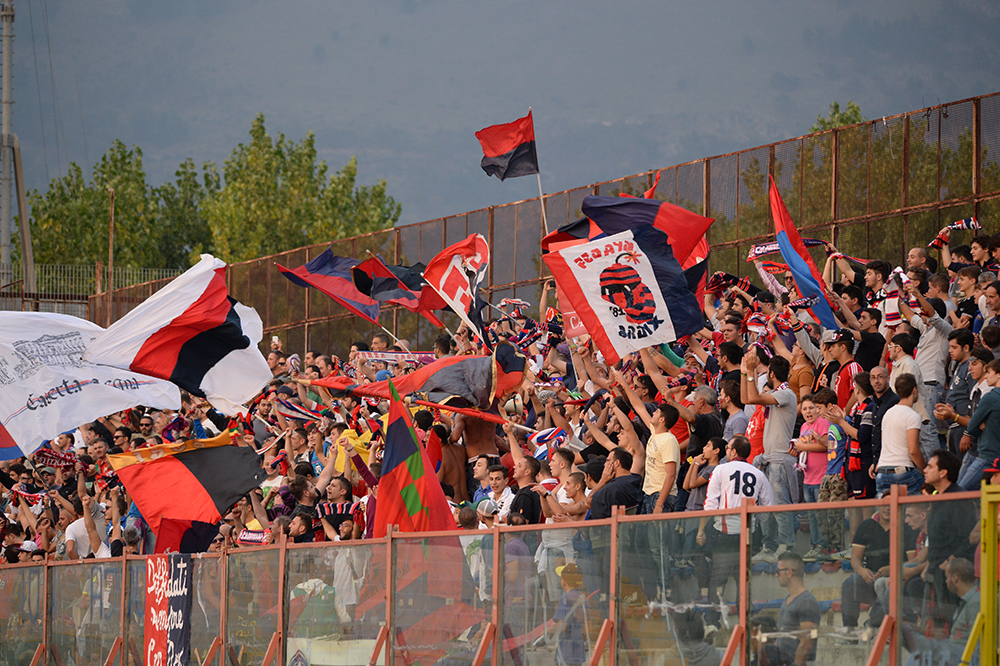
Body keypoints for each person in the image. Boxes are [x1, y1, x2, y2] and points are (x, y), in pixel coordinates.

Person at [697, 436, 772, 604]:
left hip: (724, 532)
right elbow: (768, 508)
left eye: (728, 447)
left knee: (717, 578)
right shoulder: (758, 473)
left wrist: (701, 530)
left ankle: (712, 623)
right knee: (743, 579)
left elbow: (709, 505)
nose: (726, 451)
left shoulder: (720, 470)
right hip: (749, 533)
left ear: (734, 451)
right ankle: (743, 620)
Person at [742, 353, 797, 562]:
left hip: (779, 458)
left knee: (780, 505)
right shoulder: (777, 394)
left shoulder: (787, 394)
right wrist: (745, 372)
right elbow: (746, 399)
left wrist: (750, 372)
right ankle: (769, 546)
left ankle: (786, 545)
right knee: (765, 507)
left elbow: (753, 397)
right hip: (767, 458)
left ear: (772, 374)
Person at [840, 505, 916, 631]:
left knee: (886, 587)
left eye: (891, 505)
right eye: (885, 505)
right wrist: (861, 570)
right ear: (878, 506)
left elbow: (913, 561)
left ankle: (870, 626)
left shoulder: (907, 527)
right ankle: (849, 631)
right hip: (871, 576)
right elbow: (855, 557)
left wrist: (892, 569)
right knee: (849, 584)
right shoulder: (866, 525)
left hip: (896, 577)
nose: (887, 508)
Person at [874, 374, 925, 497]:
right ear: (914, 390)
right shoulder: (913, 416)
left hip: (882, 471)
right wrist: (925, 471)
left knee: (887, 514)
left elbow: (883, 442)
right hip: (903, 471)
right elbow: (913, 450)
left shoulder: (887, 413)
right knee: (916, 510)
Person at [775, 551, 820, 666]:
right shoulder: (787, 599)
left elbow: (806, 643)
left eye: (778, 571)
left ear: (789, 572)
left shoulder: (806, 602)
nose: (776, 575)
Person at [552, 563, 587, 666]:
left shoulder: (565, 599)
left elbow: (562, 626)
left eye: (561, 578)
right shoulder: (583, 599)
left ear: (564, 582)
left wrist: (549, 629)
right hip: (578, 651)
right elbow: (588, 625)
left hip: (565, 652)